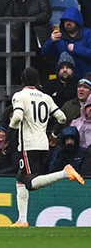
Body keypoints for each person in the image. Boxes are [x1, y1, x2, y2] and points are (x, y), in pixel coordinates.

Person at [6, 66, 84, 228]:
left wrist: (7, 139)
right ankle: (22, 220)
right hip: (42, 144)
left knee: (30, 183)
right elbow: (62, 118)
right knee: (20, 177)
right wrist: (54, 135)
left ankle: (64, 173)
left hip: (28, 144)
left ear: (22, 80)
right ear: (37, 81)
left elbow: (17, 118)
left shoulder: (20, 95)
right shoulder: (45, 97)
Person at [42, 7, 91, 80]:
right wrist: (51, 41)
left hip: (85, 79)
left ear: (77, 21)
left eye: (71, 20)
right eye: (66, 21)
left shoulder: (88, 34)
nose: (68, 23)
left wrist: (76, 49)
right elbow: (44, 53)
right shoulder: (58, 37)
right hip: (65, 80)